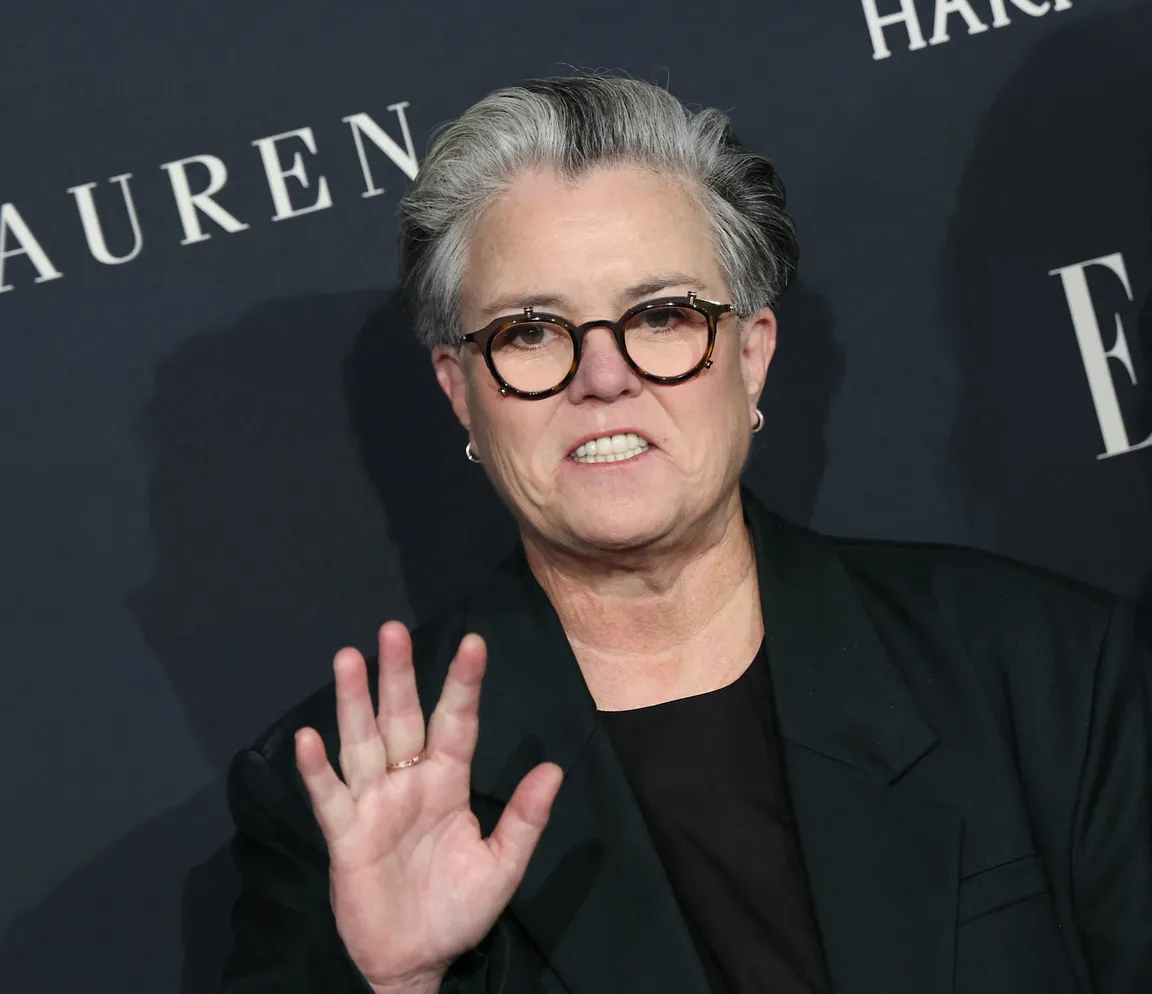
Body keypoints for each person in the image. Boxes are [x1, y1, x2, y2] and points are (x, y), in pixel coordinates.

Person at [220, 75, 1152, 994]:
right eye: (530, 332)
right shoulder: (339, 799)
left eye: (662, 315)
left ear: (752, 357)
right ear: (461, 392)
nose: (603, 377)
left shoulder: (1042, 669)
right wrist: (399, 985)